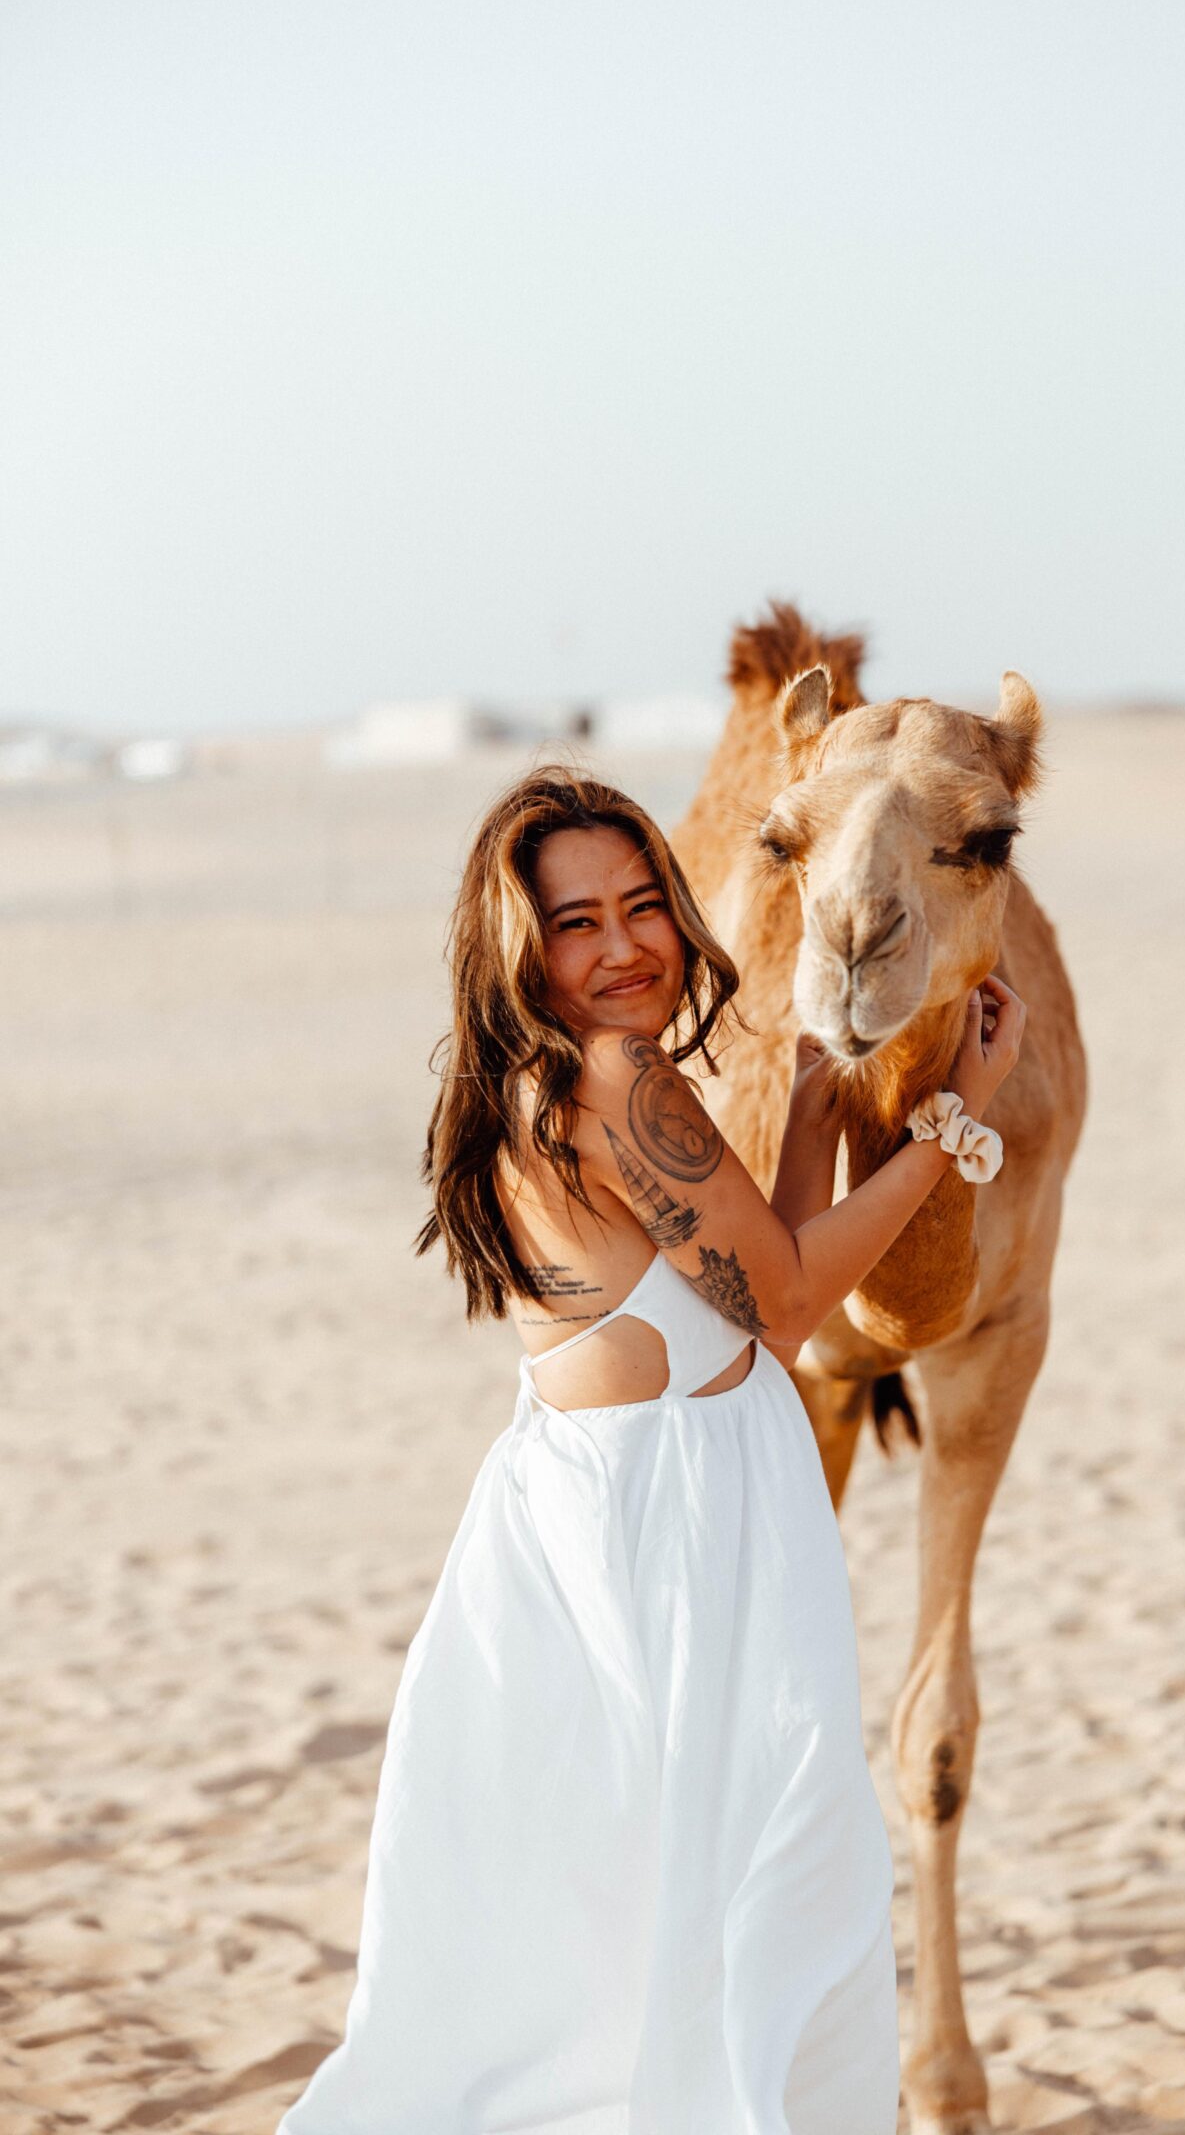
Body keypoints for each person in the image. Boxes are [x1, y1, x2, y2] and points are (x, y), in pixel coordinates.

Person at [276, 763, 1025, 2135]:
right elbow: (795, 1300)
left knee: (649, 1924)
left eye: (642, 907)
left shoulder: (546, 1082)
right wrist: (950, 1123)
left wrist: (804, 1129)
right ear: (519, 946)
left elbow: (752, 1320)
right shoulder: (623, 1080)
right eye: (576, 923)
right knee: (773, 1895)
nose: (624, 946)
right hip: (680, 1538)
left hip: (627, 1513)